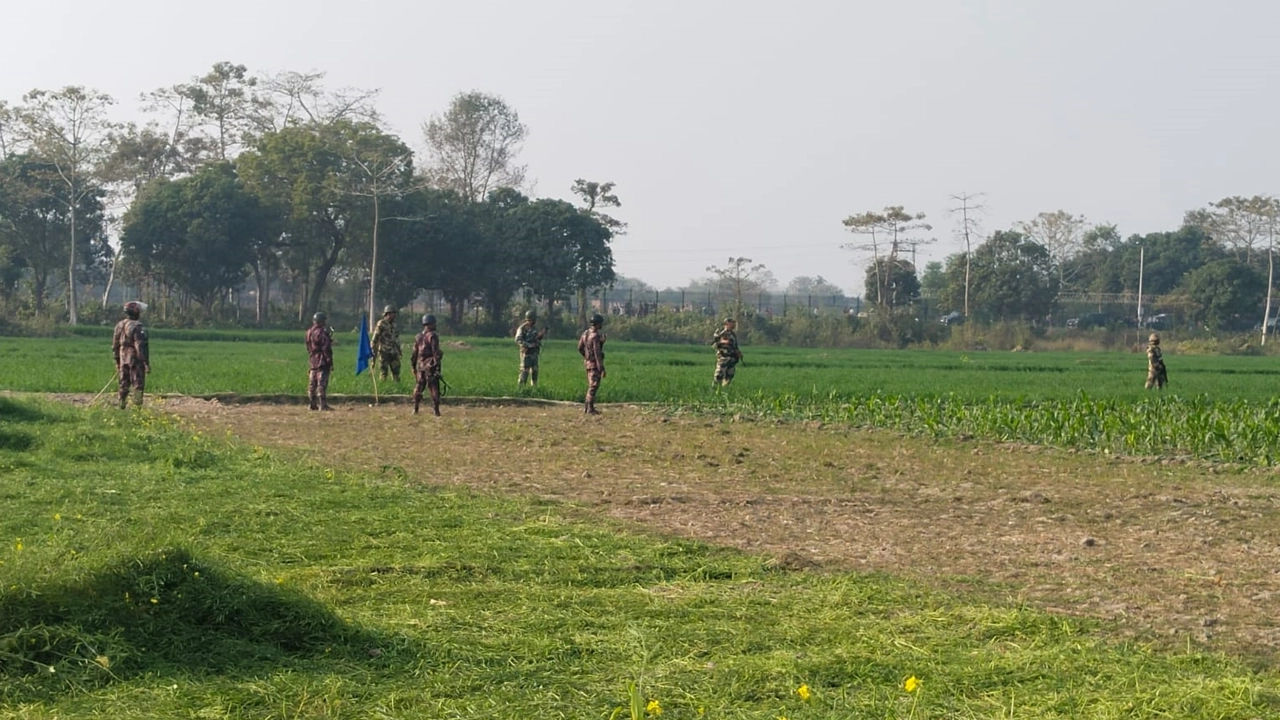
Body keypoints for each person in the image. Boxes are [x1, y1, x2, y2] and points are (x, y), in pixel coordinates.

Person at [111, 301, 150, 409]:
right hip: (135, 359)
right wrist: (145, 362)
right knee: (138, 384)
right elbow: (139, 345)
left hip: (123, 358)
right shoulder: (137, 326)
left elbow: (115, 345)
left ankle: (121, 405)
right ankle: (137, 409)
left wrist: (117, 361)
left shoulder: (119, 325)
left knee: (123, 383)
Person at [411, 314, 444, 416]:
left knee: (419, 387)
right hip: (431, 366)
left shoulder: (418, 337)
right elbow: (436, 353)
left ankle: (416, 409)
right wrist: (438, 367)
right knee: (434, 388)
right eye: (434, 323)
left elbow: (414, 354)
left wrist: (413, 367)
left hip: (420, 366)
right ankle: (436, 410)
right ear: (430, 324)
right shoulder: (433, 336)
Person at [577, 313, 606, 414]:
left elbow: (579, 347)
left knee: (591, 385)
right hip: (594, 365)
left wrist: (586, 356)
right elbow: (597, 354)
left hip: (588, 363)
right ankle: (589, 408)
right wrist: (601, 368)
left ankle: (588, 407)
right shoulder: (595, 336)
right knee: (593, 386)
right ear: (598, 324)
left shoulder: (585, 333)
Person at [306, 311, 334, 411]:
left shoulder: (309, 332)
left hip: (313, 359)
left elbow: (308, 347)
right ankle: (323, 405)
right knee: (322, 383)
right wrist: (329, 362)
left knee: (312, 383)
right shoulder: (322, 332)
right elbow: (326, 349)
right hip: (321, 360)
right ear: (322, 321)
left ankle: (312, 404)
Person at [370, 305, 402, 382]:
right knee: (384, 371)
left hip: (394, 352)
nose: (394, 315)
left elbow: (396, 339)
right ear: (387, 314)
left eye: (394, 313)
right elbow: (375, 338)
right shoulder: (381, 324)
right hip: (384, 351)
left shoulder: (395, 325)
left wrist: (399, 351)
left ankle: (397, 387)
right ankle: (383, 388)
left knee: (396, 371)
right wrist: (373, 351)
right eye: (392, 313)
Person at [515, 310, 546, 386]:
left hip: (534, 353)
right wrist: (527, 345)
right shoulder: (522, 328)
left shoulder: (534, 328)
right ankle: (521, 388)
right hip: (526, 353)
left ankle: (534, 388)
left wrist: (541, 335)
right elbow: (518, 339)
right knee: (525, 371)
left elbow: (536, 338)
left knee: (535, 371)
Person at [711, 317, 743, 387]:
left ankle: (725, 390)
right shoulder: (720, 333)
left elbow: (735, 346)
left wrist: (739, 353)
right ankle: (715, 390)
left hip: (732, 358)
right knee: (719, 375)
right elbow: (714, 344)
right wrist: (723, 342)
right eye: (732, 323)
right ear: (727, 323)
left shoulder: (733, 334)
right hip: (723, 357)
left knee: (729, 376)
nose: (734, 324)